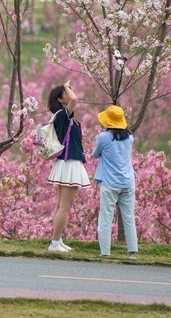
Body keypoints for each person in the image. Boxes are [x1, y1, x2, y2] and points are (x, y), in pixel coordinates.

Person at [46, 81, 90, 253]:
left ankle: (57, 240)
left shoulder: (63, 116)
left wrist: (66, 88)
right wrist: (66, 86)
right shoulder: (62, 115)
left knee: (60, 206)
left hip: (66, 162)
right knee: (64, 206)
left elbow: (73, 100)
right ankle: (55, 243)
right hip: (69, 163)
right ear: (60, 99)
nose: (69, 93)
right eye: (65, 93)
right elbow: (75, 99)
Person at [91, 105, 137, 258]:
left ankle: (105, 253)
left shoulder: (103, 137)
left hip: (110, 182)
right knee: (129, 217)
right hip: (128, 182)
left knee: (105, 217)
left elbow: (95, 154)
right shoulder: (130, 137)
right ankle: (132, 253)